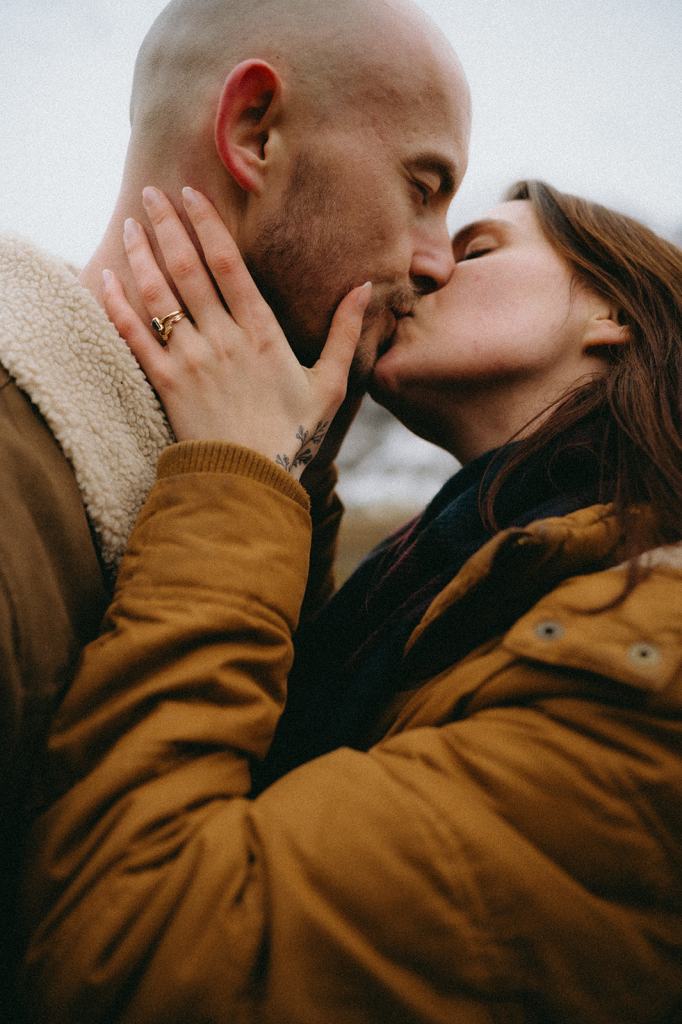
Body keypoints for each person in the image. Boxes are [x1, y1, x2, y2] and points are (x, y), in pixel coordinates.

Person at [22, 181, 682, 1023]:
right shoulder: (478, 580)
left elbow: (133, 954)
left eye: (477, 248)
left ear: (613, 312)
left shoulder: (650, 669)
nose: (430, 261)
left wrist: (241, 469)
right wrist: (299, 460)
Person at [0, 0, 469, 1007]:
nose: (436, 260)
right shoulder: (10, 475)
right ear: (254, 130)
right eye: (423, 187)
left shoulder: (245, 479)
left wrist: (299, 458)